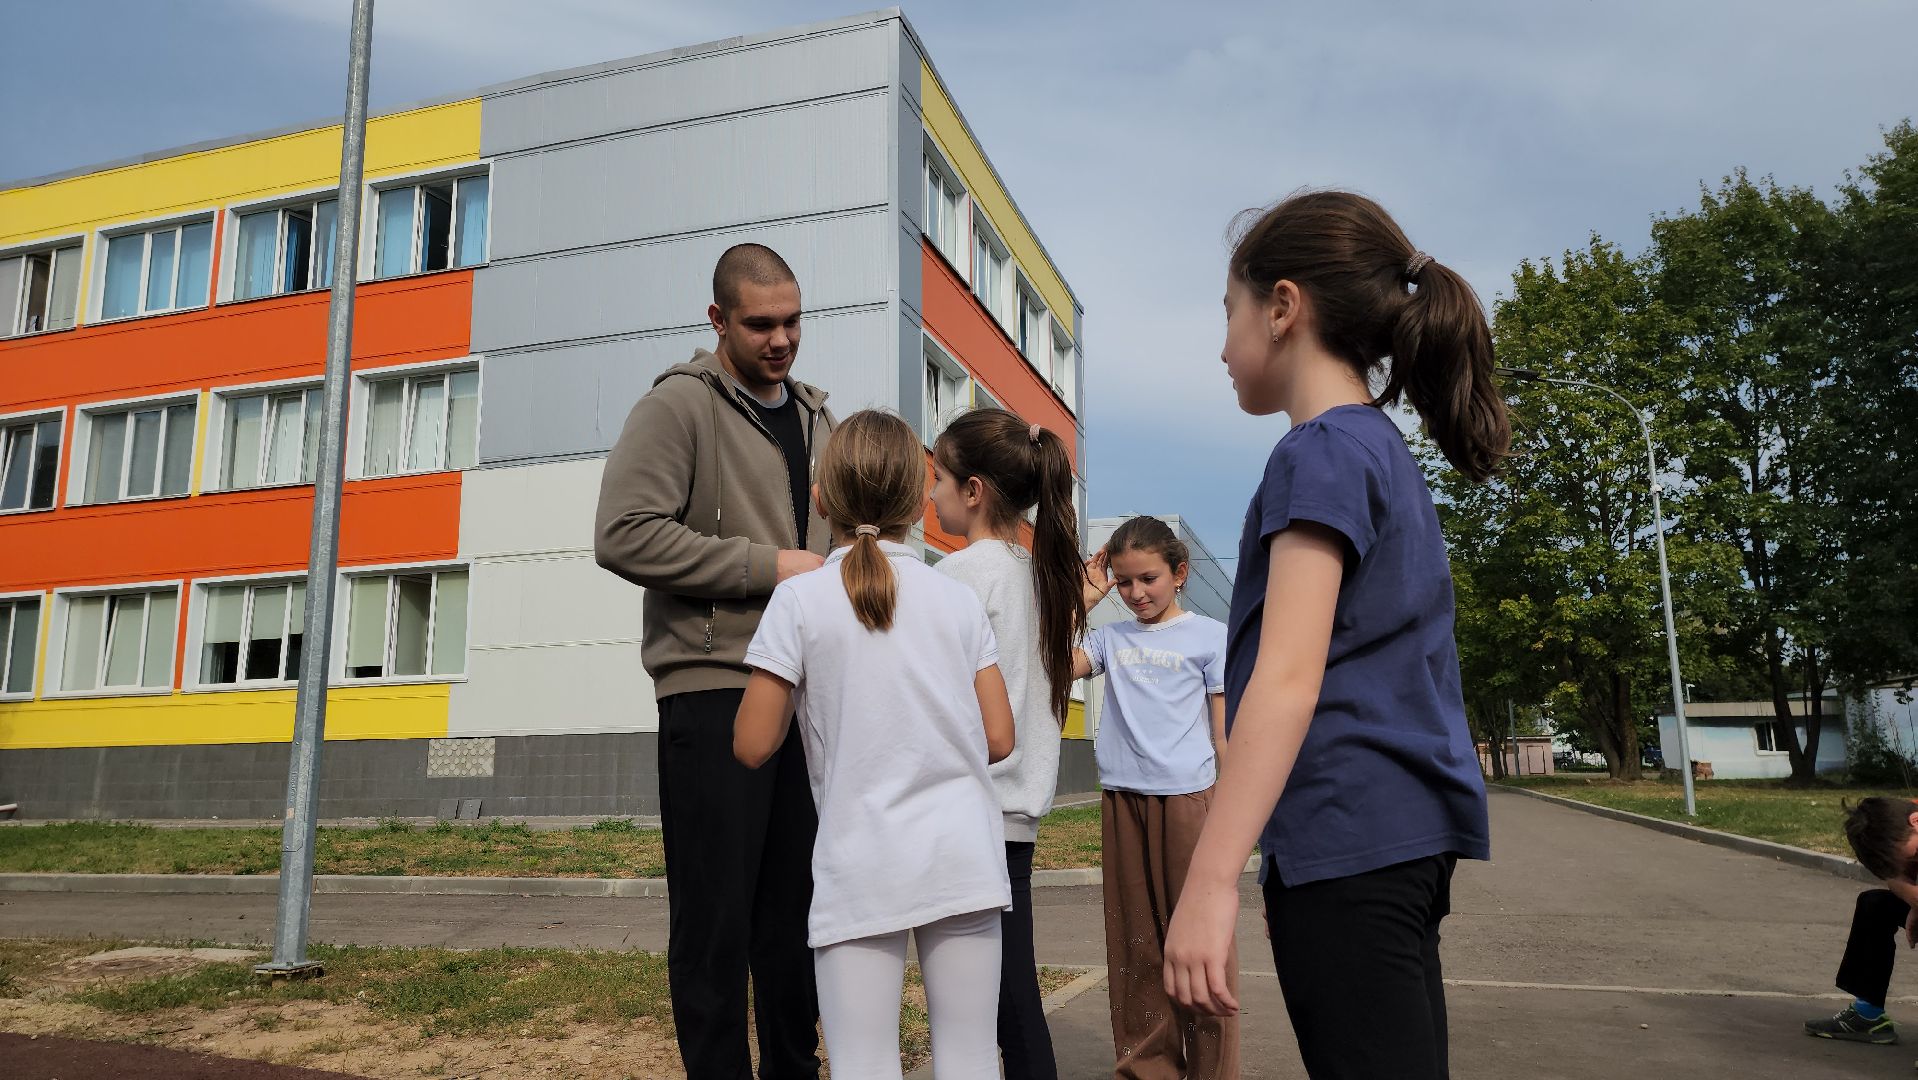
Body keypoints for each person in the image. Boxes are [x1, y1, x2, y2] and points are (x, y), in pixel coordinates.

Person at [1160, 191, 1511, 1080]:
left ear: (1283, 307)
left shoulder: (1317, 453)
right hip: (1383, 838)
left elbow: (1285, 679)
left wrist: (1210, 881)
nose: (1222, 344)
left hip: (1357, 833)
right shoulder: (1376, 449)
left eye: (1228, 313)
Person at [594, 243, 834, 1079]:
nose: (781, 339)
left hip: (805, 699)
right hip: (714, 690)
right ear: (718, 319)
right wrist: (770, 567)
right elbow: (622, 532)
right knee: (715, 922)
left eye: (793, 320)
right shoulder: (678, 406)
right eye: (761, 324)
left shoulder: (816, 417)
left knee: (796, 917)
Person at [734, 409, 1016, 1080]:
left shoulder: (798, 601)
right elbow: (1000, 737)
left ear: (823, 497)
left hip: (861, 862)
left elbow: (751, 744)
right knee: (973, 1057)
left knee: (863, 1064)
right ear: (916, 502)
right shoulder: (955, 600)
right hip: (963, 856)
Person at [929, 408, 1085, 1080]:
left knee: (999, 997)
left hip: (973, 809)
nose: (930, 493)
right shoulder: (1038, 574)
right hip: (1016, 811)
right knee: (1004, 985)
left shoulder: (963, 579)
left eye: (939, 478)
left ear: (974, 492)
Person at [1070, 515, 1237, 1079]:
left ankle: (1213, 1070)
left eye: (1149, 579)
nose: (1137, 593)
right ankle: (1149, 1069)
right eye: (1123, 582)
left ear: (1179, 574)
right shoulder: (1108, 638)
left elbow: (1222, 734)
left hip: (1189, 802)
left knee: (1200, 948)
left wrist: (1234, 815)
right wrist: (1084, 599)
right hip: (1123, 803)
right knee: (1137, 946)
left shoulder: (1211, 637)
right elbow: (1054, 662)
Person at [1802, 796, 1918, 1046]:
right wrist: (1913, 902)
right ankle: (1868, 1016)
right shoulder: (1898, 822)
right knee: (1874, 904)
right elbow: (1893, 875)